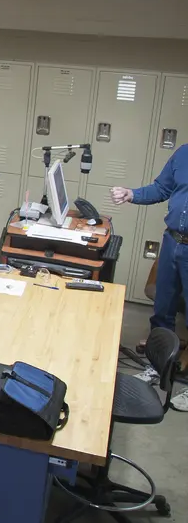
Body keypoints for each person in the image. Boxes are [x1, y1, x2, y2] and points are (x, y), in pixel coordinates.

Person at [112, 152, 188, 409]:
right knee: (163, 311)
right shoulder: (184, 153)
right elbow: (162, 188)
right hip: (173, 242)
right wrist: (131, 194)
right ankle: (157, 367)